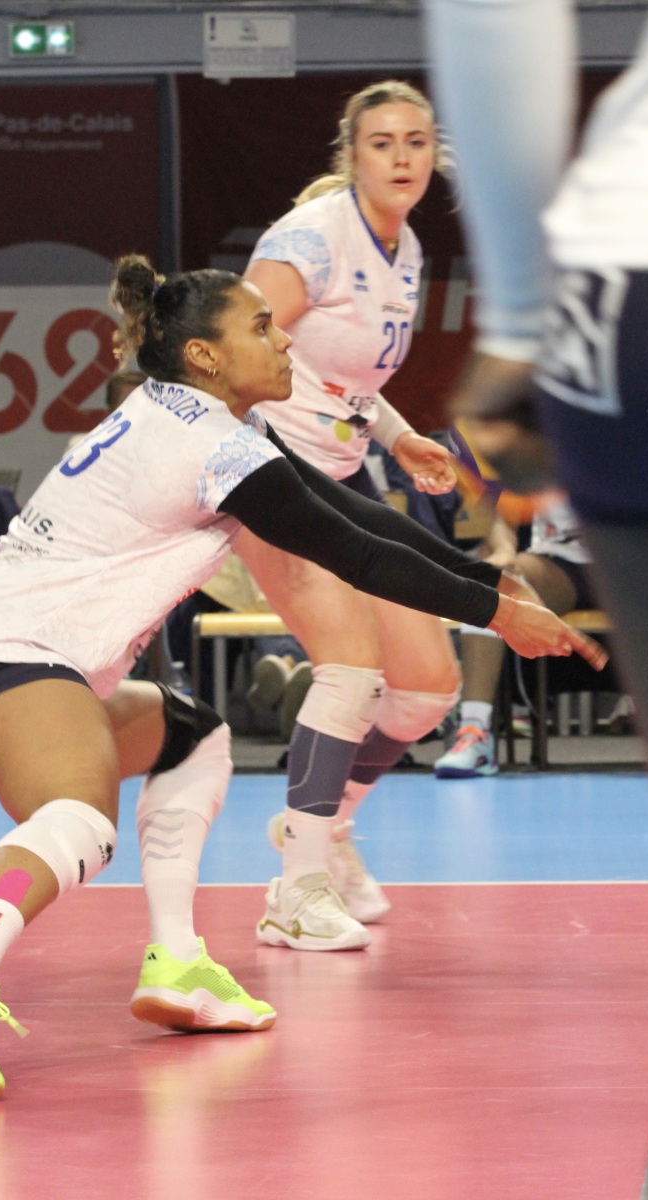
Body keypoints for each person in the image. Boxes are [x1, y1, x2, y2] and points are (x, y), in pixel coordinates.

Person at [0, 253, 604, 1101]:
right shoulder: (207, 445)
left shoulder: (213, 424)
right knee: (79, 819)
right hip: (4, 665)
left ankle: (177, 961)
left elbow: (361, 515)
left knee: (192, 738)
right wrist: (497, 613)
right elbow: (356, 554)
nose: (283, 339)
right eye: (259, 326)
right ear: (204, 356)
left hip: (5, 668)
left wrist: (494, 582)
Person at [238, 79, 469, 947]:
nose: (401, 157)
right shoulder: (310, 238)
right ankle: (293, 895)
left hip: (344, 473)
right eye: (381, 142)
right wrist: (242, 472)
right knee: (351, 670)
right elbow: (227, 347)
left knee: (425, 689)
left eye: (416, 141)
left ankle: (322, 827)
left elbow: (347, 379)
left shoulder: (404, 246)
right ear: (351, 153)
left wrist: (399, 437)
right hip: (271, 471)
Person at [422, 1, 648, 772]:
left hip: (619, 283)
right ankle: (473, 729)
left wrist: (521, 321)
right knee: (505, 578)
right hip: (564, 544)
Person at [434, 495, 599, 777]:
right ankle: (475, 733)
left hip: (637, 562)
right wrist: (504, 549)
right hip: (561, 564)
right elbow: (505, 512)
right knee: (492, 583)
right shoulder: (539, 463)